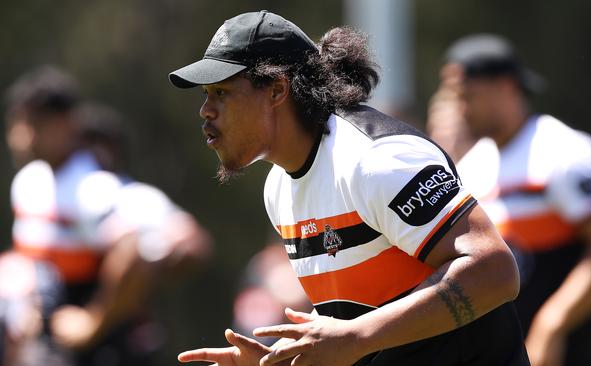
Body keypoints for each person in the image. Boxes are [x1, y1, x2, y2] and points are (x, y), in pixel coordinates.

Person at [169, 10, 529, 366]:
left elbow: (494, 269)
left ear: (277, 89)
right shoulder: (278, 188)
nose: (205, 110)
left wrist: (356, 336)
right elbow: (360, 339)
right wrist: (278, 362)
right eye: (205, 94)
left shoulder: (375, 159)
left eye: (221, 92)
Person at [2, 65, 212, 366]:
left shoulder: (90, 188)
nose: (19, 137)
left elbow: (142, 248)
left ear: (64, 125)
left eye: (31, 124)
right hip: (49, 345)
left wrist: (93, 322)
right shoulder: (28, 182)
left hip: (102, 352)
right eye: (17, 124)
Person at [445, 34, 591, 366]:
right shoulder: (472, 166)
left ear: (506, 86)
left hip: (574, 353)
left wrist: (552, 323)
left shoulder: (564, 151)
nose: (461, 110)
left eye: (468, 96)